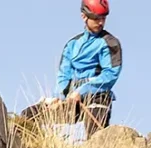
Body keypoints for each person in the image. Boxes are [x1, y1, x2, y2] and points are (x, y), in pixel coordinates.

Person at [25, 0, 122, 136]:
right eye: (96, 18)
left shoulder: (110, 43)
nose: (101, 22)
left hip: (97, 97)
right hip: (70, 97)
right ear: (84, 16)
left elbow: (110, 74)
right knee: (28, 115)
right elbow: (64, 74)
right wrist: (58, 97)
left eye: (103, 18)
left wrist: (81, 91)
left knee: (95, 136)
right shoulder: (72, 44)